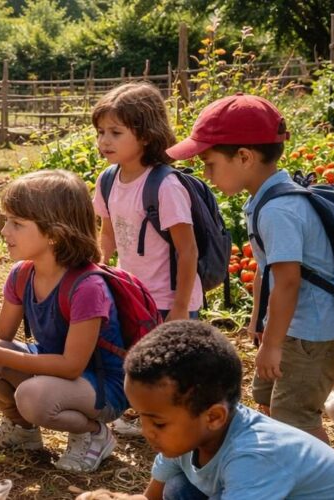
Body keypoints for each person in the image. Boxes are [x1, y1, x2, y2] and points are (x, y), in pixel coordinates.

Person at [167, 94, 334, 442]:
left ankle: (319, 472)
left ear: (244, 157)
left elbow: (288, 282)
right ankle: (278, 464)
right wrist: (258, 320)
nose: (206, 175)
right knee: (266, 399)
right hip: (290, 327)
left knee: (296, 418)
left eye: (209, 163)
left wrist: (272, 345)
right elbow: (266, 271)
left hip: (312, 335)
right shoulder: (264, 199)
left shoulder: (278, 210)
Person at [0, 170, 124, 473]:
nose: (4, 231)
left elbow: (71, 366)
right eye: (7, 220)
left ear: (54, 234)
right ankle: (22, 430)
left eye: (17, 223)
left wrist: (0, 355)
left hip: (101, 387)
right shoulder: (23, 274)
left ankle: (93, 433)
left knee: (32, 397)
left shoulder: (87, 287)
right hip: (55, 371)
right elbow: (0, 333)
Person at [124, 320, 334, 499]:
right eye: (141, 417)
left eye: (158, 423)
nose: (147, 431)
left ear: (214, 417)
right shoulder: (186, 434)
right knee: (179, 488)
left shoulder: (254, 456)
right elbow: (151, 497)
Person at [91, 82, 201, 437]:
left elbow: (188, 250)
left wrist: (181, 306)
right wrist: (99, 271)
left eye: (116, 132)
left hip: (170, 297)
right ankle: (148, 414)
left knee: (172, 366)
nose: (104, 141)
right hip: (135, 292)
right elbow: (108, 234)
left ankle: (181, 426)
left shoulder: (165, 186)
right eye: (101, 132)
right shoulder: (108, 180)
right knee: (140, 357)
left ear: (145, 134)